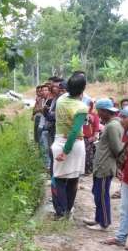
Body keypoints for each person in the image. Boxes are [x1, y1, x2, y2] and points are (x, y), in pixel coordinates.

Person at [102, 105, 128, 247]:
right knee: (125, 209)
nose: (121, 120)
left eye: (124, 117)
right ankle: (121, 237)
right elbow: (125, 153)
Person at [51, 72, 87, 218]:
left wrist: (64, 150)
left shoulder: (61, 100)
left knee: (59, 177)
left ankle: (61, 211)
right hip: (75, 144)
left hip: (59, 141)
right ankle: (67, 211)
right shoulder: (81, 107)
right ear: (83, 89)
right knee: (73, 179)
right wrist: (66, 151)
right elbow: (74, 131)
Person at [83, 98, 122, 230]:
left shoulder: (112, 126)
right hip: (100, 166)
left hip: (105, 166)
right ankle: (98, 218)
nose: (98, 115)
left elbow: (117, 148)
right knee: (97, 192)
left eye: (99, 112)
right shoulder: (110, 124)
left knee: (102, 195)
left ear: (106, 111)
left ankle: (104, 223)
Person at [83, 99, 100, 175]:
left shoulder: (94, 115)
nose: (87, 106)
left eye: (88, 105)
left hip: (88, 138)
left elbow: (96, 126)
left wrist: (94, 136)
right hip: (79, 137)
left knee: (88, 155)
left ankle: (88, 170)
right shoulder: (80, 114)